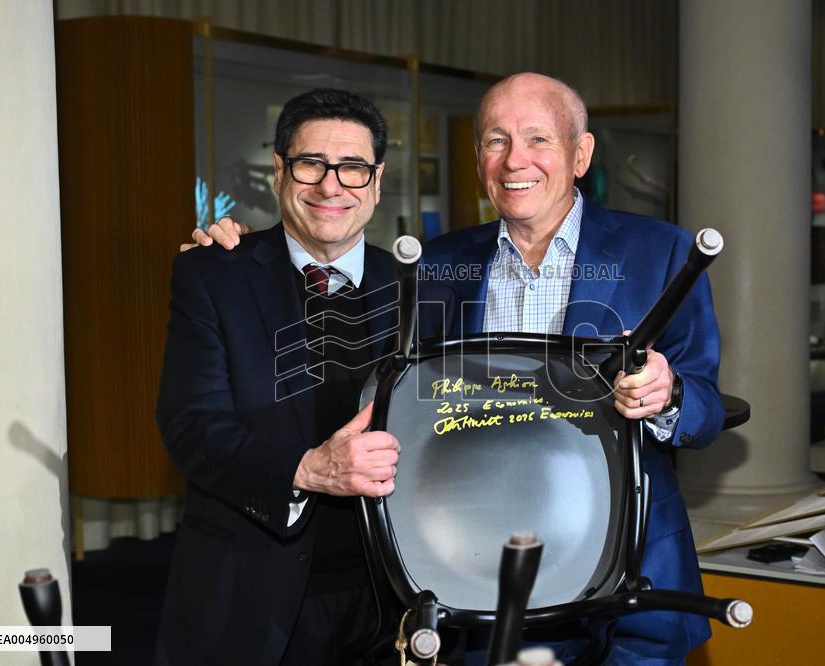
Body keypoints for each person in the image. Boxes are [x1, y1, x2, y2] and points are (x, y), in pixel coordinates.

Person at [197, 73, 724, 665]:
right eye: (495, 141)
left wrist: (669, 393)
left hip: (632, 569)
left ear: (581, 153)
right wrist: (240, 256)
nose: (514, 160)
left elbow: (707, 409)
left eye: (538, 139)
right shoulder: (437, 263)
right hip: (478, 565)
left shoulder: (664, 254)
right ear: (478, 160)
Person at [155, 88, 413, 666]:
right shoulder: (213, 276)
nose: (330, 186)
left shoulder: (417, 287)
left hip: (392, 598)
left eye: (352, 168)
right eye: (310, 164)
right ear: (279, 171)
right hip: (253, 591)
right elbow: (190, 425)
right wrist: (309, 470)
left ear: (376, 180)